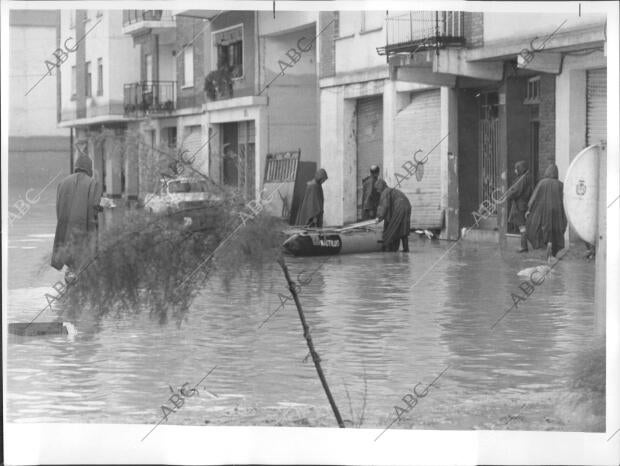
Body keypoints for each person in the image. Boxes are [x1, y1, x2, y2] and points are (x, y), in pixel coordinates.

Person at [51, 152, 102, 280]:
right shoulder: (93, 183)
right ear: (89, 168)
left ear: (76, 166)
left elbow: (58, 207)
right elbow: (95, 206)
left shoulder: (62, 183)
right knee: (84, 261)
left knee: (70, 261)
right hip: (83, 228)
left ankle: (70, 282)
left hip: (65, 228)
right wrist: (103, 207)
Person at [525, 163, 567, 261]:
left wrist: (529, 209)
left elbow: (534, 198)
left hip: (543, 212)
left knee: (545, 229)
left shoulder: (542, 183)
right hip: (557, 212)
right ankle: (552, 250)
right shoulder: (561, 185)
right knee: (555, 231)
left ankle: (548, 246)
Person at [375, 179, 412, 252]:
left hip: (399, 207)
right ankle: (405, 249)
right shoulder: (391, 190)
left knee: (393, 227)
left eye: (377, 189)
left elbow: (384, 206)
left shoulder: (385, 192)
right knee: (403, 227)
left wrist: (379, 217)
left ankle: (390, 249)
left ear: (380, 187)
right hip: (407, 205)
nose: (377, 191)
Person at [506, 160, 532, 253]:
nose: (515, 171)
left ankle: (524, 247)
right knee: (522, 226)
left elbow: (516, 191)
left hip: (520, 205)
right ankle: (523, 246)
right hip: (522, 204)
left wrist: (508, 195)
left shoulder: (522, 179)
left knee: (522, 227)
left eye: (516, 169)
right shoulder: (525, 178)